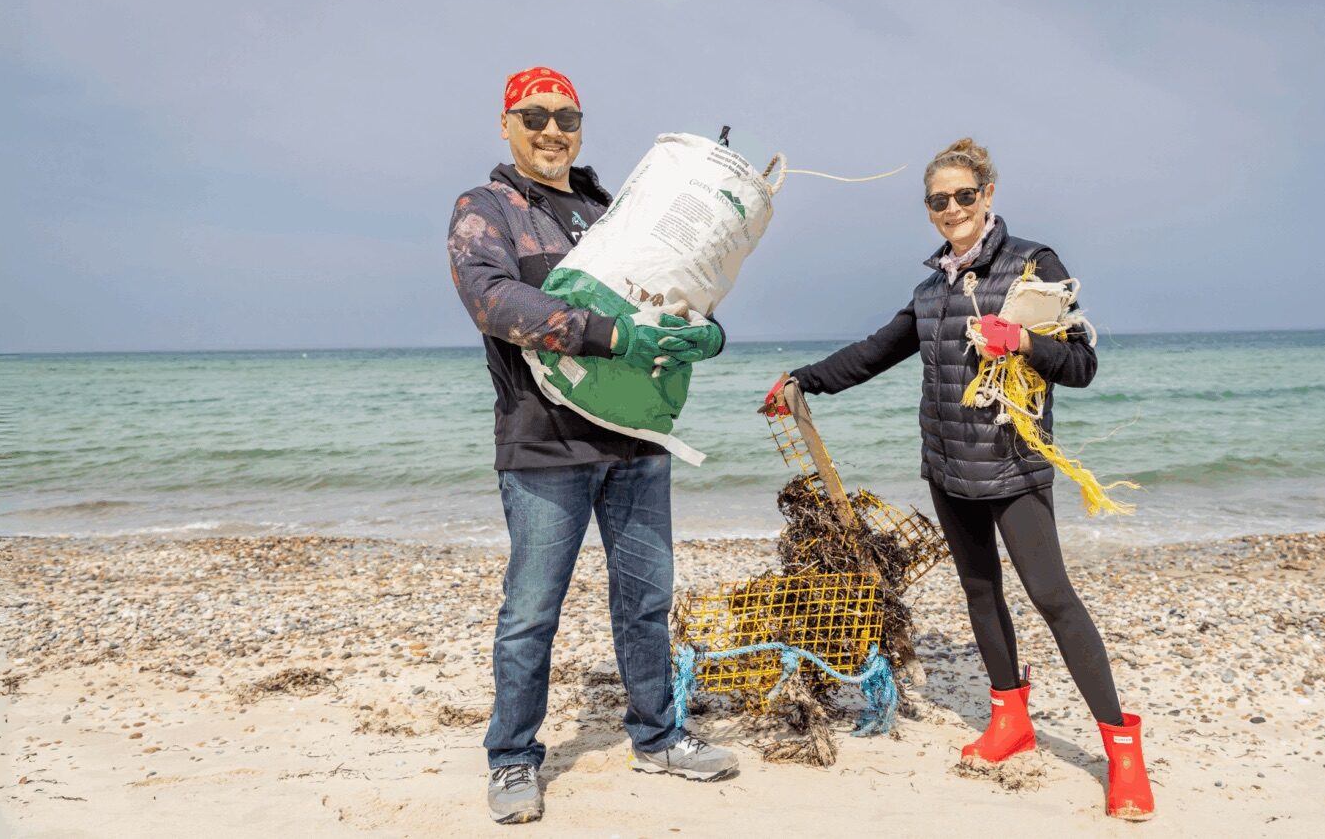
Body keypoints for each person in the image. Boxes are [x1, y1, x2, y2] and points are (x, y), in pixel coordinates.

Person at [761, 138, 1155, 821]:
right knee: (979, 591)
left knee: (1053, 598)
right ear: (928, 209)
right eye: (939, 200)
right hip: (947, 465)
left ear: (989, 196)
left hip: (1014, 467)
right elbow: (873, 352)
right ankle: (1010, 719)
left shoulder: (1034, 264)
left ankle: (1121, 750)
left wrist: (1025, 342)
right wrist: (804, 381)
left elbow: (1083, 364)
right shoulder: (930, 290)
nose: (952, 208)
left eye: (964, 196)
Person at [446, 66, 736, 826]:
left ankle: (658, 736)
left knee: (646, 602)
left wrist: (707, 333)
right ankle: (512, 760)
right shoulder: (487, 209)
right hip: (544, 447)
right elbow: (491, 299)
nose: (552, 131)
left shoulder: (612, 210)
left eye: (566, 117)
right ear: (506, 123)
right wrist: (606, 332)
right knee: (531, 611)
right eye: (535, 116)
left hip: (638, 442)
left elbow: (688, 283)